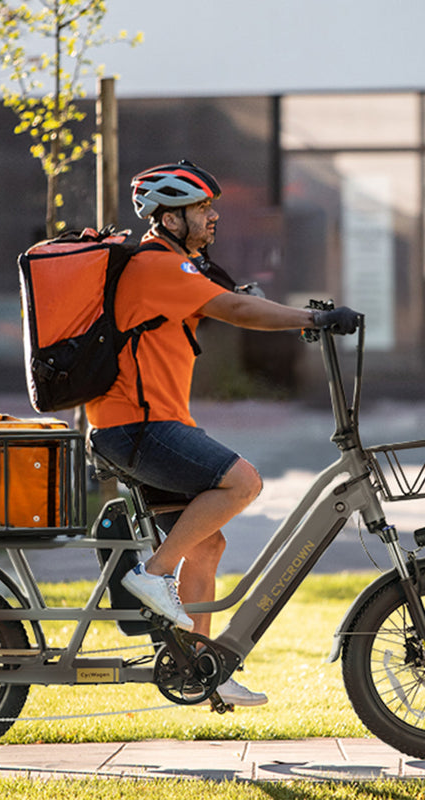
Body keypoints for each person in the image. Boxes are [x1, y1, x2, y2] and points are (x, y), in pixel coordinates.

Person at [86, 160, 359, 706]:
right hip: (136, 427)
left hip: (148, 424)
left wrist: (266, 304)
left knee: (207, 543)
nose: (212, 218)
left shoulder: (174, 269)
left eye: (212, 208)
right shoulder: (155, 265)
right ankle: (153, 573)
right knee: (243, 484)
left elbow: (225, 296)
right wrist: (311, 319)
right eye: (201, 209)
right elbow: (235, 308)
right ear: (167, 217)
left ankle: (200, 665)